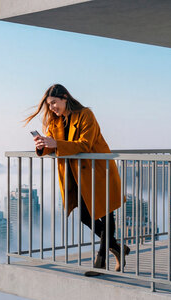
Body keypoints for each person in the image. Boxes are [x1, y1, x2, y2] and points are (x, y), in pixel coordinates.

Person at [25, 84, 129, 276]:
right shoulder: (55, 123)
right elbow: (56, 147)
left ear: (65, 97)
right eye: (49, 105)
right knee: (83, 215)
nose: (52, 108)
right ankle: (117, 248)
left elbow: (85, 144)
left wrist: (55, 143)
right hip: (76, 176)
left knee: (106, 214)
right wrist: (42, 146)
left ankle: (101, 261)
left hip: (98, 171)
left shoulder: (85, 114)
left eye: (54, 103)